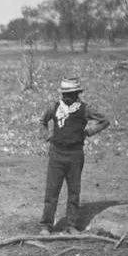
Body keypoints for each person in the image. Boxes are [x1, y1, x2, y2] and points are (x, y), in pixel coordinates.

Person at [38, 77, 110, 235]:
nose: (67, 97)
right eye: (65, 94)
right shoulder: (55, 107)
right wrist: (47, 136)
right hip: (56, 154)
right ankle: (46, 225)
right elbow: (42, 120)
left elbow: (104, 120)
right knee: (52, 192)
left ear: (78, 93)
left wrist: (89, 132)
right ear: (61, 94)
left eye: (71, 93)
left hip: (75, 155)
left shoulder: (84, 109)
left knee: (74, 192)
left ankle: (71, 225)